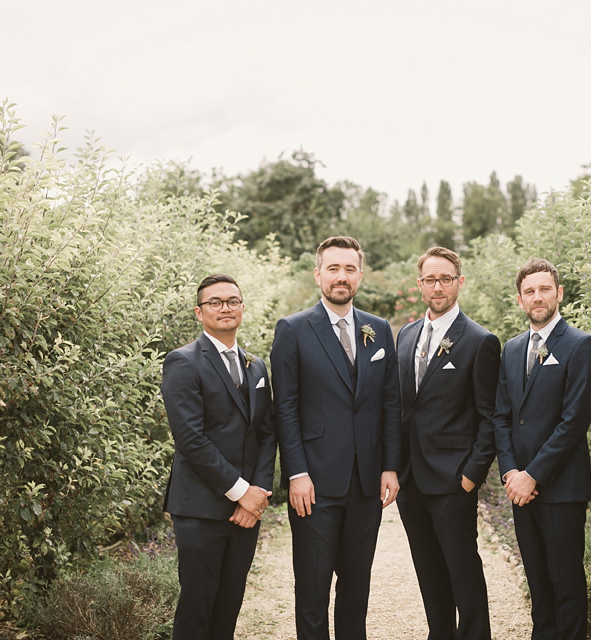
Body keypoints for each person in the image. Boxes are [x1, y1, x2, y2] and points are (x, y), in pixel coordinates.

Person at [270, 236, 401, 640]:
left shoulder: (378, 330)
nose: (341, 277)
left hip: (365, 484)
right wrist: (296, 473)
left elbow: (389, 405)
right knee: (312, 589)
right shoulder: (293, 329)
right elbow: (285, 408)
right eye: (333, 268)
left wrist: (390, 466)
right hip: (315, 483)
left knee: (356, 587)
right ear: (318, 274)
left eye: (349, 269)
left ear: (359, 275)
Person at [161, 274, 276, 640]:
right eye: (215, 302)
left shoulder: (255, 365)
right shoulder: (183, 362)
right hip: (200, 509)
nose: (225, 308)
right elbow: (190, 438)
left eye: (232, 301)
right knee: (198, 610)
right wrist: (240, 490)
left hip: (245, 513)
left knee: (228, 608)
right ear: (199, 312)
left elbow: (266, 433)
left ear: (242, 308)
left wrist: (256, 493)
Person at [396, 247, 500, 640]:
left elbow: (489, 417)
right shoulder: (405, 335)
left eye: (445, 279)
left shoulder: (479, 341)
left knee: (462, 569)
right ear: (419, 284)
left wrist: (471, 475)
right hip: (411, 480)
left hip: (454, 480)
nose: (437, 287)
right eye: (430, 280)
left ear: (459, 282)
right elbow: (401, 407)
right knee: (428, 570)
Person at [493, 259, 591, 640]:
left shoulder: (580, 345)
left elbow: (574, 421)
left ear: (558, 293)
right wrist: (510, 473)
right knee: (538, 584)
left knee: (566, 586)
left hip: (560, 487)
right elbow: (502, 417)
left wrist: (533, 475)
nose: (537, 297)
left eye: (544, 289)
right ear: (520, 299)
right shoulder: (511, 349)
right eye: (530, 291)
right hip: (520, 489)